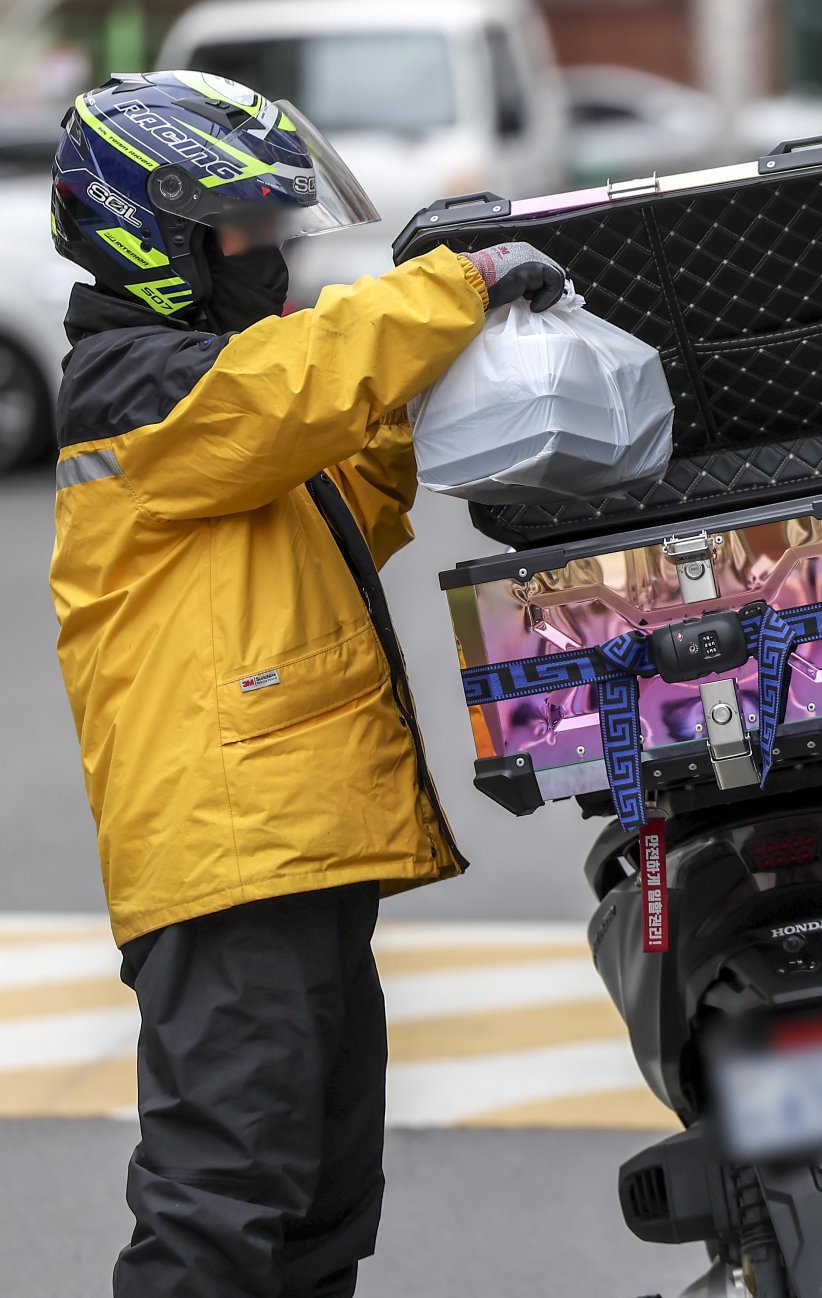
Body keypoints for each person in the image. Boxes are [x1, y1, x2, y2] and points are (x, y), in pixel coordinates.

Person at [48, 70, 565, 1298]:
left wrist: (451, 371)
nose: (271, 257)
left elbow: (346, 483)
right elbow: (303, 385)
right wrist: (455, 286)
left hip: (298, 854)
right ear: (157, 236)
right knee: (218, 1214)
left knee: (318, 1215)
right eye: (248, 233)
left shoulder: (222, 402)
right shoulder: (139, 391)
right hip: (233, 861)